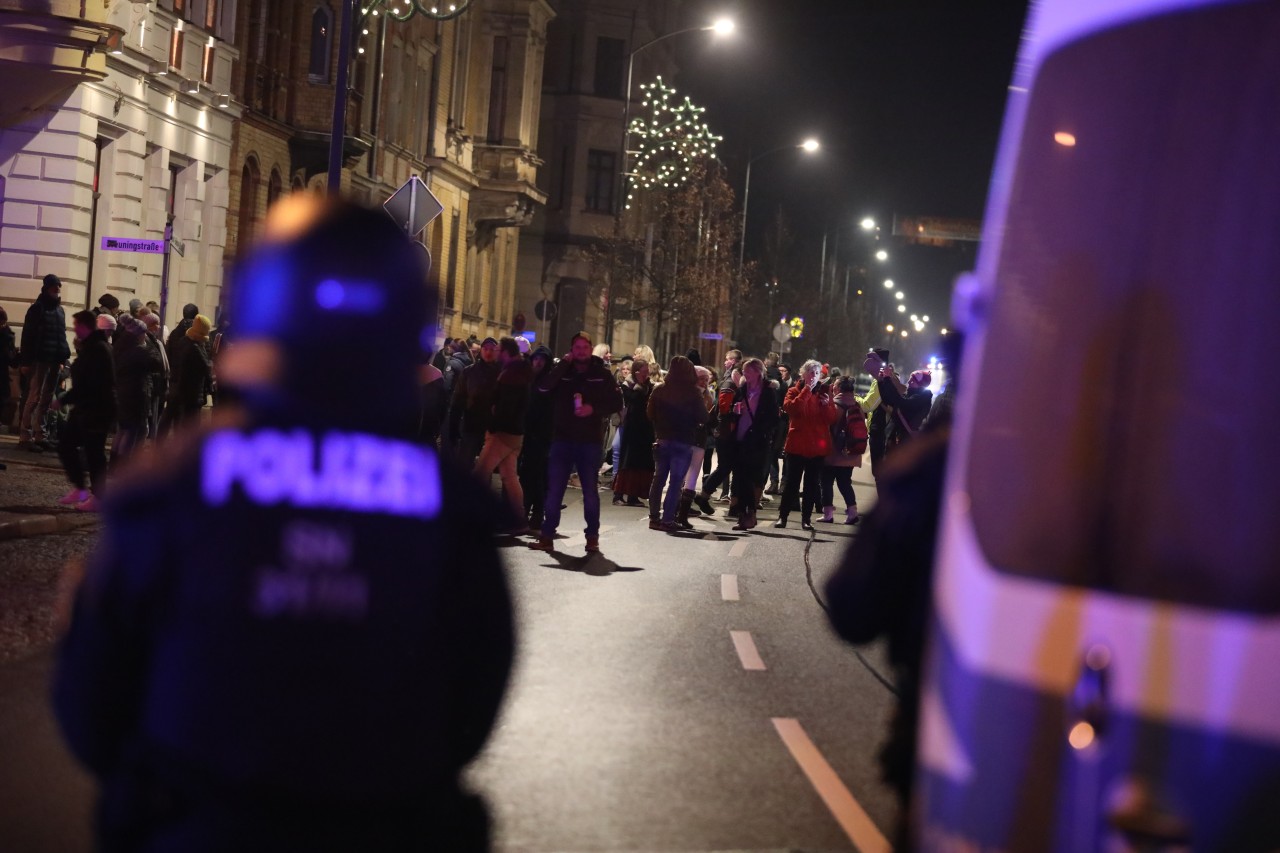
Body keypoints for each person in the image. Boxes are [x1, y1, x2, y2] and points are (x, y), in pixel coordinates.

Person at [53, 196, 514, 852]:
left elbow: (92, 698)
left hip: (201, 826)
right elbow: (472, 703)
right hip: (388, 828)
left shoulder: (174, 485)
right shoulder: (447, 509)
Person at [529, 332, 623, 553]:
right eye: (576, 347)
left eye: (584, 347)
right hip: (562, 438)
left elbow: (616, 401)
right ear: (572, 349)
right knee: (554, 491)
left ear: (590, 349)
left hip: (589, 441)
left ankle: (592, 536)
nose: (581, 351)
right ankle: (547, 535)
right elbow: (543, 388)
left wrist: (594, 409)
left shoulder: (601, 373)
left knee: (589, 490)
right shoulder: (564, 370)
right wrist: (563, 364)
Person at [52, 310, 115, 511]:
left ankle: (99, 497)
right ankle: (80, 488)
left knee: (94, 453)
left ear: (85, 326)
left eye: (76, 325)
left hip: (97, 409)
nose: (74, 329)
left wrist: (64, 399)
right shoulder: (91, 347)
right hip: (85, 408)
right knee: (66, 445)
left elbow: (91, 384)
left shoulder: (98, 349)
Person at [473, 336, 532, 533]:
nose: (496, 354)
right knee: (509, 476)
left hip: (503, 432)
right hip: (515, 433)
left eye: (498, 350)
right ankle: (519, 519)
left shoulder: (511, 375)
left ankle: (472, 517)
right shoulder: (521, 370)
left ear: (506, 352)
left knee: (480, 472)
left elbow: (505, 407)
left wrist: (493, 424)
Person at [646, 355, 708, 531]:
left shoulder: (659, 390)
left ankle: (654, 518)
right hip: (683, 441)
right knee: (675, 482)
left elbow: (650, 414)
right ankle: (667, 519)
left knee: (658, 480)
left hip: (662, 440)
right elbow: (704, 416)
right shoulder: (693, 393)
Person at [776, 359, 838, 531]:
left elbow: (831, 419)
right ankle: (783, 516)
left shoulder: (823, 394)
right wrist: (806, 391)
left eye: (817, 373)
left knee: (811, 485)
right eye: (810, 372)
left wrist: (827, 406)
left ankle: (806, 519)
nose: (813, 376)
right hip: (797, 445)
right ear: (803, 374)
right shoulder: (793, 391)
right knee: (791, 484)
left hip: (816, 448)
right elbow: (791, 409)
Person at [725, 358, 780, 531]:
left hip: (757, 441)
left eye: (748, 371)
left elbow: (774, 418)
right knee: (741, 478)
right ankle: (744, 515)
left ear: (758, 372)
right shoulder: (742, 389)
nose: (745, 374)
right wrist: (734, 412)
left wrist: (761, 431)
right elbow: (734, 410)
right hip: (740, 439)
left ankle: (749, 514)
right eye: (744, 371)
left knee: (750, 478)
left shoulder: (767, 391)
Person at [18, 273, 71, 451]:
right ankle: (25, 436)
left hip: (54, 359)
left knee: (46, 399)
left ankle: (41, 434)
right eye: (54, 286)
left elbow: (61, 335)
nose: (57, 289)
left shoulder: (59, 310)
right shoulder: (37, 309)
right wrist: (25, 361)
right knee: (34, 397)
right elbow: (28, 335)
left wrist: (63, 357)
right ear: (47, 287)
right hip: (39, 360)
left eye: (58, 286)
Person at [693, 348, 743, 514]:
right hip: (727, 431)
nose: (725, 362)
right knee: (726, 466)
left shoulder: (732, 380)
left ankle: (726, 502)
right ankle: (705, 494)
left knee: (731, 466)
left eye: (727, 359)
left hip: (728, 430)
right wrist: (734, 413)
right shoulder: (730, 382)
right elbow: (723, 407)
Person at [110, 315, 161, 465]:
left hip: (122, 392)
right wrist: (150, 344)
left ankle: (114, 463)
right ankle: (124, 464)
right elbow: (156, 362)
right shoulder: (139, 350)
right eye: (144, 333)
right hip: (136, 394)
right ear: (139, 334)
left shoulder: (120, 346)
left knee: (123, 429)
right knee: (132, 431)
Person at [819, 375, 866, 524]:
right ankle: (852, 512)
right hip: (850, 452)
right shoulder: (857, 405)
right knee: (845, 483)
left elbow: (826, 424)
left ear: (838, 388)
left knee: (826, 482)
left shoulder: (834, 404)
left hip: (833, 452)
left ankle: (828, 514)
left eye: (835, 385)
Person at [447, 337, 501, 466]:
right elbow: (458, 399)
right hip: (471, 425)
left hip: (492, 428)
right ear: (481, 350)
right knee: (465, 464)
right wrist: (453, 427)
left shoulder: (501, 373)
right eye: (485, 349)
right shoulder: (469, 372)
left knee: (485, 469)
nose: (488, 352)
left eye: (492, 349)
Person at [519, 346, 555, 530]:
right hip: (526, 433)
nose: (538, 362)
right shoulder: (528, 379)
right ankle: (525, 510)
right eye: (536, 358)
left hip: (542, 436)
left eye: (542, 359)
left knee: (538, 476)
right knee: (526, 474)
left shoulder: (549, 383)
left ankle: (537, 512)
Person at [612, 357, 655, 507]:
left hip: (645, 427)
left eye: (647, 372)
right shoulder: (627, 386)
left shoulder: (648, 385)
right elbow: (633, 399)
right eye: (644, 372)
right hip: (632, 427)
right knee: (627, 460)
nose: (646, 374)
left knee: (641, 461)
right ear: (636, 372)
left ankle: (633, 495)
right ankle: (618, 494)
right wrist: (639, 385)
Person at [164, 314, 213, 432]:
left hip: (182, 390)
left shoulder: (184, 341)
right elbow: (205, 366)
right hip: (192, 392)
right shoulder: (195, 347)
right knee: (190, 427)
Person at [879, 367, 933, 454]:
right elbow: (889, 400)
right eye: (909, 379)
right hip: (897, 441)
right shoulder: (911, 395)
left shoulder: (921, 399)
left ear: (920, 385)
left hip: (904, 445)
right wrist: (881, 381)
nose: (908, 382)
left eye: (912, 381)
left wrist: (887, 379)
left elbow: (899, 401)